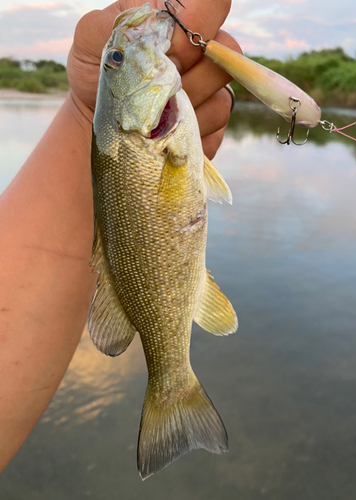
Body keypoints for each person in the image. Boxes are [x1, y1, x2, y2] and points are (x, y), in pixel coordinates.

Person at [0, 0, 241, 473]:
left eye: (115, 61)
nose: (121, 54)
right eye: (117, 61)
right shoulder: (140, 131)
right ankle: (174, 388)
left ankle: (173, 389)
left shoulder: (135, 127)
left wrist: (79, 112)